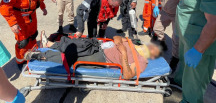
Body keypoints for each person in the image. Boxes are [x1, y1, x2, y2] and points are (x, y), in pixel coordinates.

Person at [26, 34, 161, 80]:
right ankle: (49, 44)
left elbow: (127, 75)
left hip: (102, 58)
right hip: (98, 45)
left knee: (73, 58)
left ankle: (41, 56)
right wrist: (119, 42)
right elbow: (116, 37)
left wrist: (124, 54)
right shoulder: (133, 44)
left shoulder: (142, 62)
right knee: (73, 43)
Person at [0, 0, 47, 68]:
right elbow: (4, 7)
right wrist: (12, 24)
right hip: (20, 17)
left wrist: (43, 7)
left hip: (32, 16)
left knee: (33, 36)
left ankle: (32, 55)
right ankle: (20, 61)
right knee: (23, 41)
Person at [153, 0, 186, 72]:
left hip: (178, 15)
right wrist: (156, 6)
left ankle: (175, 59)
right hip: (165, 12)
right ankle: (162, 43)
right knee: (157, 29)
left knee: (176, 39)